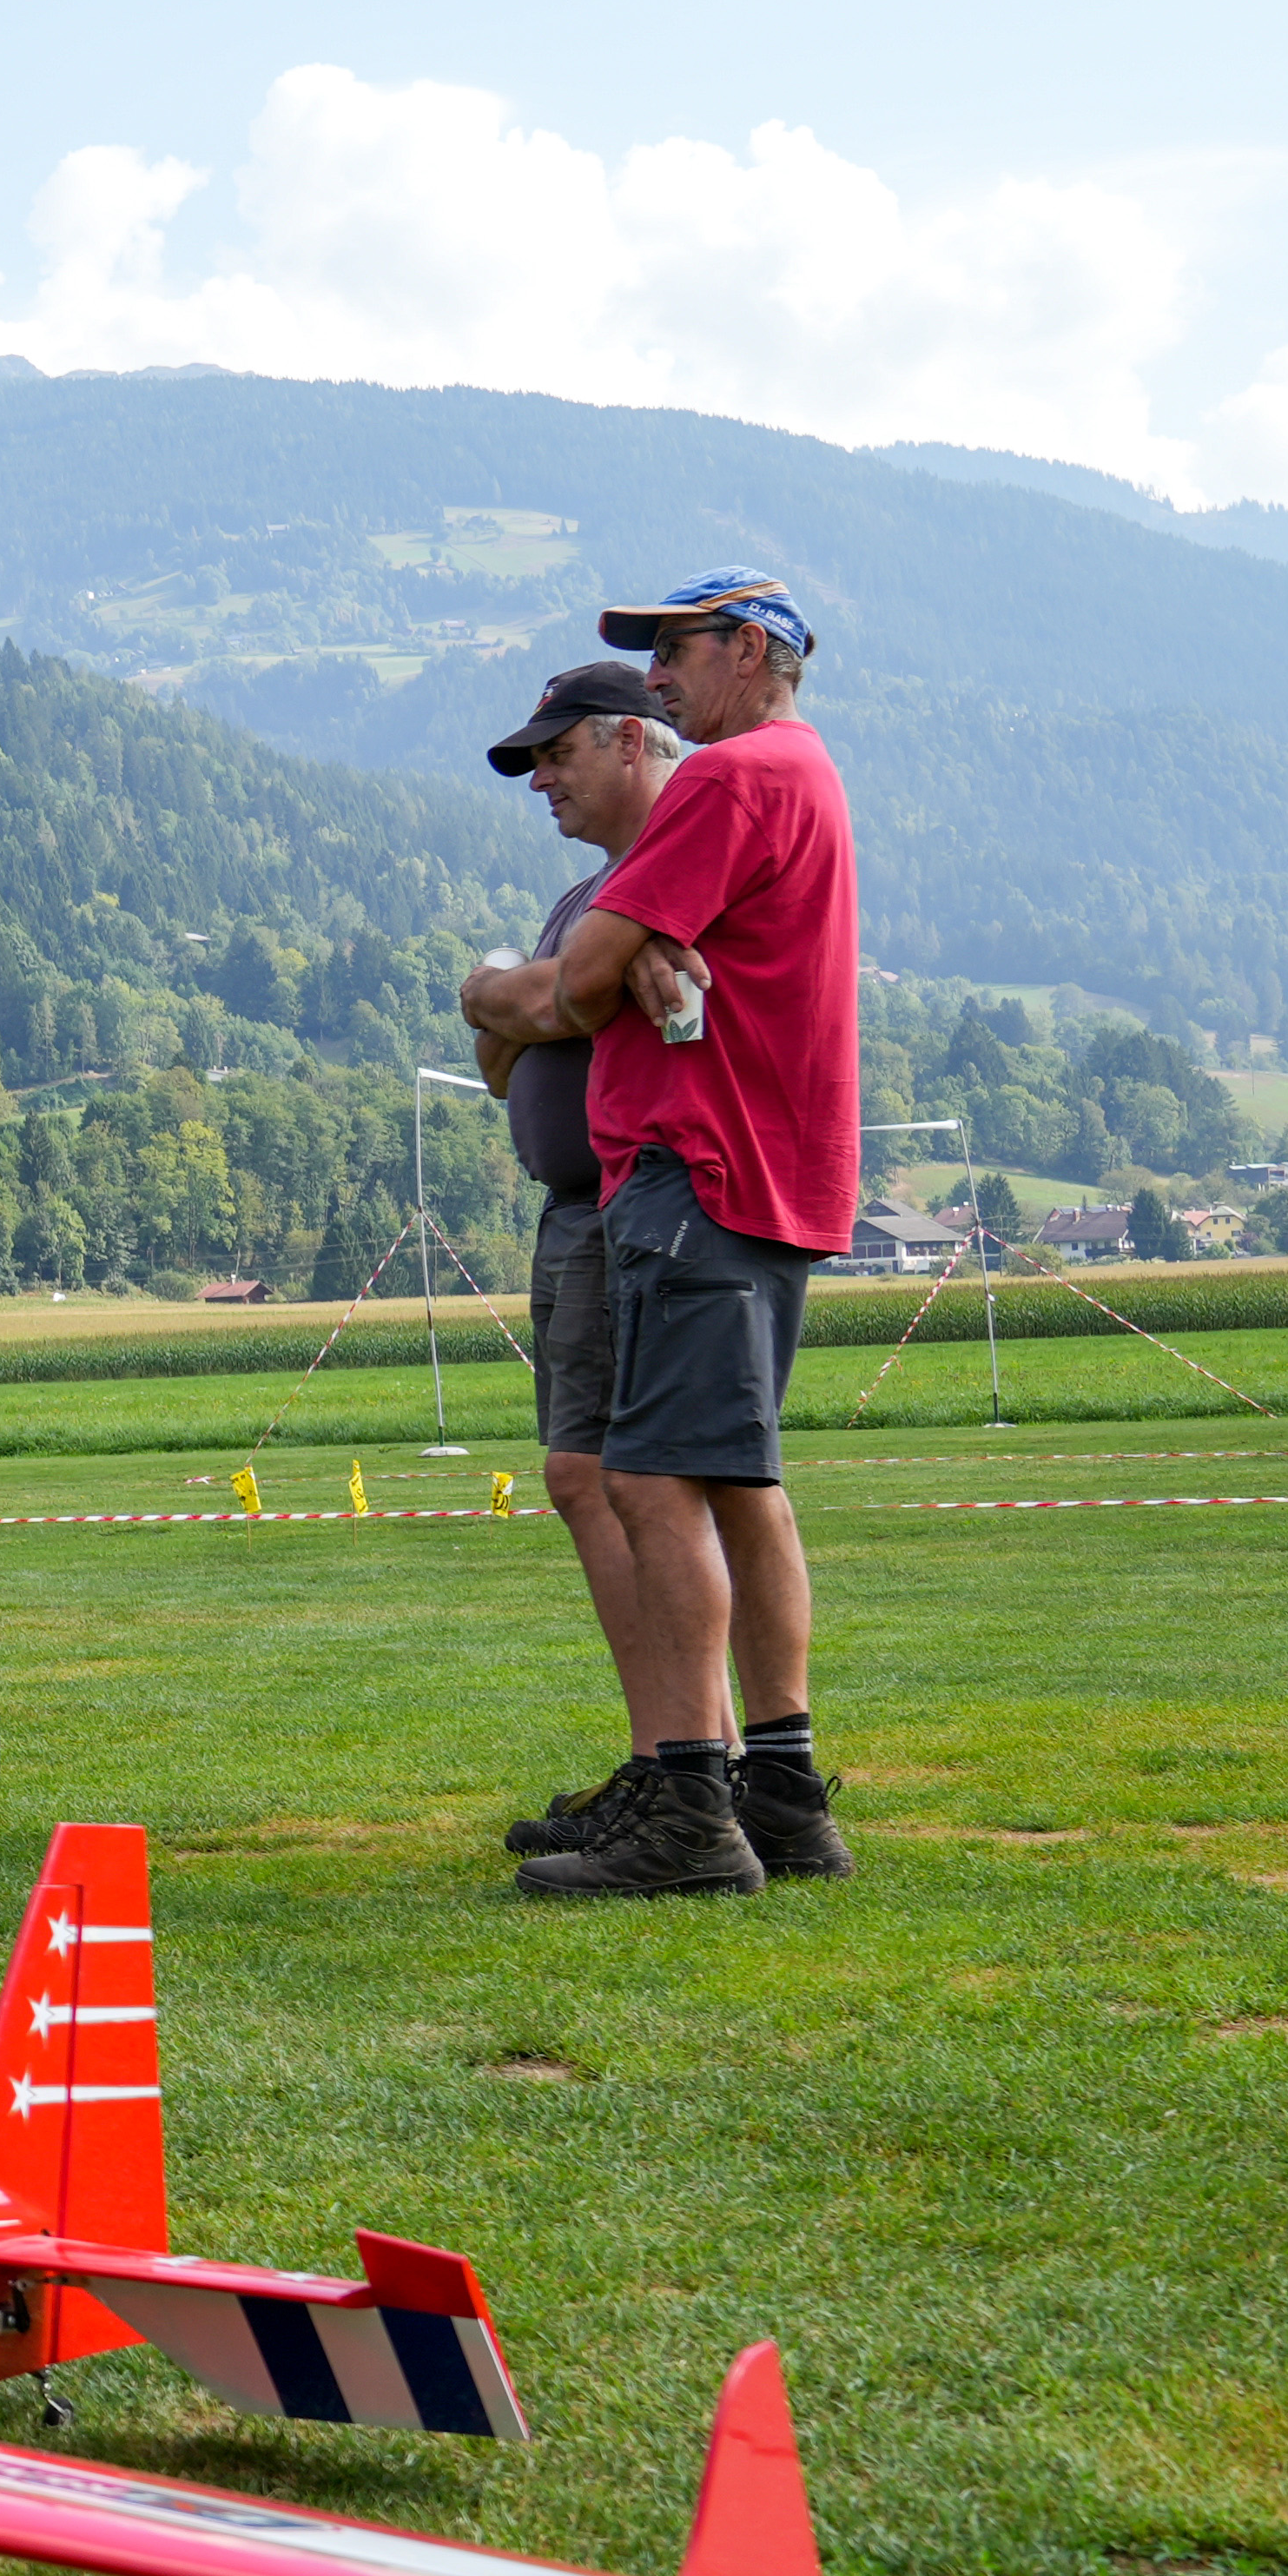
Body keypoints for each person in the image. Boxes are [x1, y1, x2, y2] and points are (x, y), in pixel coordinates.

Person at [497, 570, 862, 1897]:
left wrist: (529, 975)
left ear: (753, 649)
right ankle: (780, 1796)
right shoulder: (801, 771)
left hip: (695, 1172)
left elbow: (582, 980)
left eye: (673, 649)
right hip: (763, 1172)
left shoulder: (728, 780)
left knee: (650, 1480)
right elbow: (601, 975)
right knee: (733, 1483)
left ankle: (696, 1814)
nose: (655, 675)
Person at [453, 671, 709, 1858]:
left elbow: (558, 1006)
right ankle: (657, 1756)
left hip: (629, 1204)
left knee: (627, 1483)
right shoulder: (581, 896)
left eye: (554, 756)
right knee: (579, 1478)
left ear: (628, 740)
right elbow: (513, 1047)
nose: (542, 781)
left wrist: (508, 992)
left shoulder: (669, 875)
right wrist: (525, 1004)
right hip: (571, 1211)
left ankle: (681, 1765)